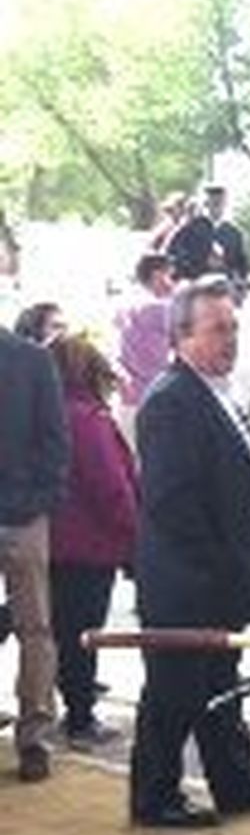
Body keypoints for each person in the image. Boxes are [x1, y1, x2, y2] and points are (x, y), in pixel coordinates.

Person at [129, 278, 250, 828]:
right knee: (173, 693)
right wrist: (227, 566)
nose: (231, 340)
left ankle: (236, 782)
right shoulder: (171, 401)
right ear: (183, 336)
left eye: (234, 327)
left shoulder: (211, 393)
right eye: (218, 329)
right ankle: (154, 797)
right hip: (186, 582)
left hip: (216, 579)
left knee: (219, 687)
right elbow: (172, 504)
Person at [47, 334, 139, 746]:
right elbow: (110, 488)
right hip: (90, 544)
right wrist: (133, 534)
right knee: (83, 632)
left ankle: (66, 705)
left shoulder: (47, 412)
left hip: (51, 537)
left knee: (57, 626)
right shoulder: (89, 419)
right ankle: (80, 719)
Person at [0, 323, 69, 781]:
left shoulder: (32, 360)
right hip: (26, 511)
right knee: (37, 628)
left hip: (24, 515)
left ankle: (35, 736)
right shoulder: (32, 359)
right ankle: (35, 738)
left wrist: (37, 501)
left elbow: (55, 440)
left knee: (37, 627)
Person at [115, 250, 176, 412]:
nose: (173, 283)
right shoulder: (160, 309)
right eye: (170, 276)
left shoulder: (124, 305)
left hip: (128, 396)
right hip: (155, 397)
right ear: (157, 276)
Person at [165, 183, 249, 289]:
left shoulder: (233, 233)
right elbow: (173, 256)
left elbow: (240, 264)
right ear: (206, 203)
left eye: (220, 202)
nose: (216, 206)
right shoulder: (189, 229)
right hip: (195, 285)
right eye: (213, 202)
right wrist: (198, 264)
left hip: (224, 288)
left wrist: (236, 276)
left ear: (225, 204)